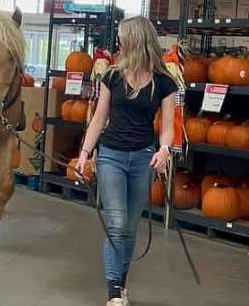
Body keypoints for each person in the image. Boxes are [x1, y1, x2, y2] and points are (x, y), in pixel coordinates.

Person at [76, 16, 181, 306]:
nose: (119, 42)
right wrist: (85, 154)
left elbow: (169, 126)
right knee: (118, 224)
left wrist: (164, 150)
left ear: (135, 40)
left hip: (144, 158)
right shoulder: (112, 76)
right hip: (111, 156)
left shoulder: (164, 82)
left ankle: (120, 285)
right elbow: (99, 120)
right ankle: (113, 294)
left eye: (123, 37)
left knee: (131, 226)